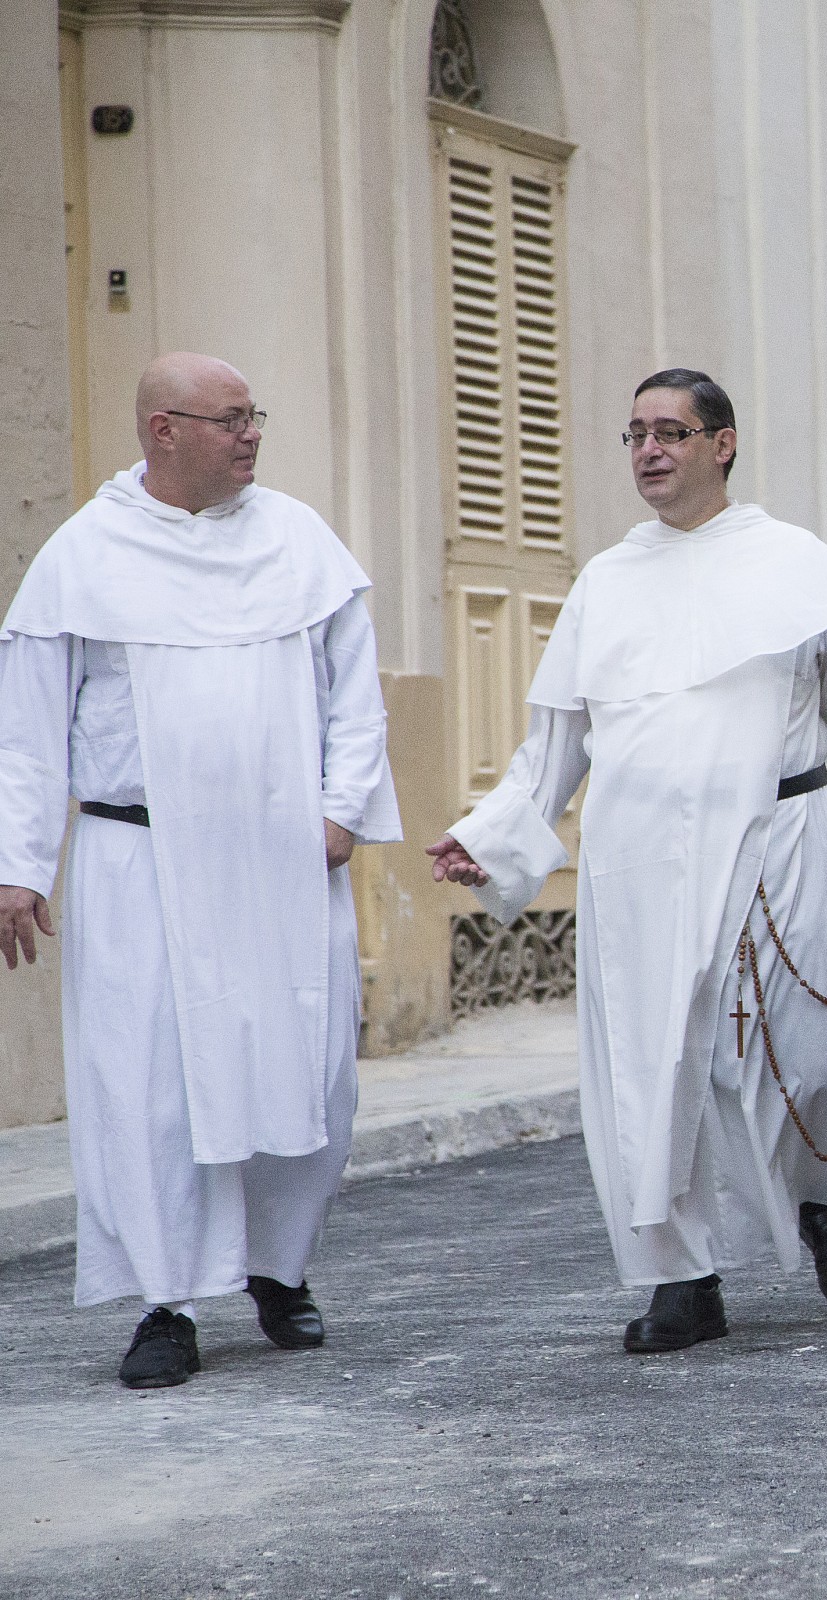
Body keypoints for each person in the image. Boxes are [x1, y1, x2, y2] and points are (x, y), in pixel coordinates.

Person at [428, 369, 827, 1353]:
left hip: (778, 840)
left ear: (723, 443)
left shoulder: (794, 564)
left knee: (819, 1047)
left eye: (671, 432)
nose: (650, 451)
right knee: (655, 1070)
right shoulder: (605, 582)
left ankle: (825, 1204)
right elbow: (554, 742)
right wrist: (493, 833)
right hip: (640, 863)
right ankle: (682, 1277)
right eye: (635, 435)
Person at [0, 353, 401, 1389]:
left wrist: (342, 811)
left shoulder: (299, 539)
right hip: (139, 861)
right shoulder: (86, 553)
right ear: (161, 431)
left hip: (281, 858)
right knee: (150, 1085)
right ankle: (167, 1300)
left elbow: (355, 695)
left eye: (252, 416)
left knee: (304, 1068)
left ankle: (281, 1269)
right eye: (229, 419)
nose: (251, 435)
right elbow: (30, 732)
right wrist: (19, 865)